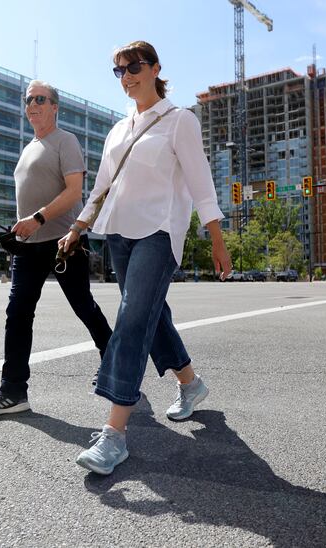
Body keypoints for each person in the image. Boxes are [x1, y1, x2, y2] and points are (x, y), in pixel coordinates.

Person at [58, 41, 232, 475]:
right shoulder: (119, 129)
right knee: (150, 313)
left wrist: (217, 238)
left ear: (155, 69)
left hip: (159, 231)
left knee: (133, 318)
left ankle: (114, 434)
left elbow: (201, 182)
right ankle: (190, 384)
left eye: (134, 67)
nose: (127, 76)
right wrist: (78, 227)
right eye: (119, 71)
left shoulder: (180, 120)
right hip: (119, 232)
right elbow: (102, 186)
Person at [0, 80, 113, 417]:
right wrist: (22, 226)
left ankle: (114, 363)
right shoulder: (28, 148)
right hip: (28, 246)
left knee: (84, 307)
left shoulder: (65, 141)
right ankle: (13, 392)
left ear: (54, 106)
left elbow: (74, 193)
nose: (32, 105)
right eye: (28, 100)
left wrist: (38, 218)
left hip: (64, 242)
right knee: (18, 313)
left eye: (40, 99)